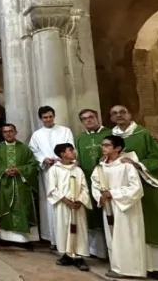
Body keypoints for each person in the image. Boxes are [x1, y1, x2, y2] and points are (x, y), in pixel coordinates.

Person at [110, 104, 158, 275]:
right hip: (122, 189)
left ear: (130, 114)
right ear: (111, 118)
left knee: (151, 223)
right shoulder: (111, 136)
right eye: (115, 113)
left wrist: (137, 165)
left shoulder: (143, 134)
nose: (119, 115)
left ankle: (155, 265)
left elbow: (157, 156)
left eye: (122, 112)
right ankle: (132, 264)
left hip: (145, 184)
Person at [91, 135, 148, 279]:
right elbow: (95, 183)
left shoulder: (126, 165)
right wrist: (100, 196)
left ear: (117, 148)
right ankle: (117, 266)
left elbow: (136, 189)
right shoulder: (101, 166)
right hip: (108, 206)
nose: (103, 148)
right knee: (113, 237)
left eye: (107, 145)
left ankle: (132, 269)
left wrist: (113, 193)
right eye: (102, 145)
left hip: (126, 208)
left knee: (128, 237)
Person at [28, 105, 74, 246]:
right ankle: (52, 237)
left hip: (64, 170)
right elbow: (33, 151)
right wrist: (44, 159)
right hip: (47, 171)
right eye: (45, 117)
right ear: (41, 119)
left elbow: (70, 147)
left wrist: (62, 159)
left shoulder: (65, 131)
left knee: (65, 199)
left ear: (54, 116)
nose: (48, 119)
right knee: (49, 202)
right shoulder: (37, 134)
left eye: (50, 117)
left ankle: (67, 236)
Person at [0, 123, 39, 247]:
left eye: (11, 131)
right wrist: (4, 170)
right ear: (2, 134)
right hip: (4, 185)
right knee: (6, 210)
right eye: (5, 132)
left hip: (21, 184)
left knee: (23, 208)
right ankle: (5, 238)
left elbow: (32, 165)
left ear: (15, 132)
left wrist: (19, 170)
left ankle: (23, 239)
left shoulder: (24, 148)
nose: (8, 134)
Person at [47, 143, 91, 271]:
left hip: (77, 206)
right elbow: (52, 189)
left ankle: (78, 256)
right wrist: (66, 200)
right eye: (71, 150)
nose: (74, 152)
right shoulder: (54, 170)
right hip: (63, 205)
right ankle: (67, 254)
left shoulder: (78, 170)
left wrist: (80, 201)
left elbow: (84, 188)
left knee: (79, 230)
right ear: (62, 154)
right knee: (64, 229)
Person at [74, 108, 110, 259]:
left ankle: (112, 251)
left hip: (108, 179)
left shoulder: (109, 134)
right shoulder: (80, 138)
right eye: (84, 119)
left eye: (91, 117)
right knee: (92, 214)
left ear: (97, 118)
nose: (88, 120)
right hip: (88, 179)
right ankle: (97, 250)